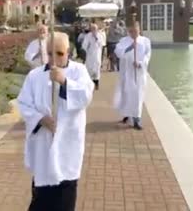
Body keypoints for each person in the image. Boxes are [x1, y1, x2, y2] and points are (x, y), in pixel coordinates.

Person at [17, 31, 94, 211]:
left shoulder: (78, 71)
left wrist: (64, 81)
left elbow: (85, 97)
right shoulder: (35, 76)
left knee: (65, 198)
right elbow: (24, 103)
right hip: (43, 144)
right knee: (41, 198)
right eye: (50, 53)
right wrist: (41, 119)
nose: (54, 59)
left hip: (67, 144)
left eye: (59, 53)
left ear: (68, 52)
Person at [113, 22, 152, 130]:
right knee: (127, 94)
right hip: (127, 72)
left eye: (135, 31)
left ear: (139, 29)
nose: (133, 33)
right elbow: (118, 52)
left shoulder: (145, 41)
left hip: (139, 73)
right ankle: (128, 114)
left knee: (138, 94)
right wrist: (129, 48)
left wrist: (140, 63)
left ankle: (137, 118)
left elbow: (147, 55)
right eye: (131, 31)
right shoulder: (124, 41)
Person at [82, 23, 104, 90]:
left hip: (97, 55)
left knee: (97, 69)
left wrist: (96, 39)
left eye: (95, 29)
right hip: (90, 55)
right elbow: (84, 45)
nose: (94, 30)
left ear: (97, 29)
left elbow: (102, 44)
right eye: (92, 28)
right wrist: (87, 46)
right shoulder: (88, 36)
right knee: (89, 69)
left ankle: (96, 83)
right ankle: (90, 84)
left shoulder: (100, 36)